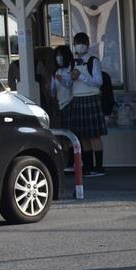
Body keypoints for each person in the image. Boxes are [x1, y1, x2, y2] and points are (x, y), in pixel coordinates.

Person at [68, 32, 106, 175]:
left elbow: (99, 82)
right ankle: (88, 166)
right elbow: (68, 84)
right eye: (77, 42)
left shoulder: (93, 61)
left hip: (91, 97)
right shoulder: (72, 62)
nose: (79, 45)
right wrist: (69, 78)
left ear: (88, 44)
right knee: (83, 135)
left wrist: (81, 76)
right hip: (77, 98)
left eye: (82, 42)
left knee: (95, 135)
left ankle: (99, 166)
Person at [50, 45, 76, 133]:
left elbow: (70, 85)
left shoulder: (71, 69)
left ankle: (71, 147)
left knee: (71, 132)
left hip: (70, 103)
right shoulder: (56, 72)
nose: (59, 58)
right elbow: (53, 92)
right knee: (63, 132)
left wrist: (61, 80)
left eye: (61, 55)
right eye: (57, 55)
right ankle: (66, 147)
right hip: (60, 105)